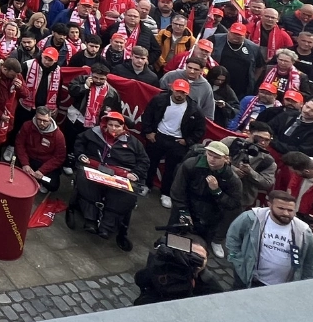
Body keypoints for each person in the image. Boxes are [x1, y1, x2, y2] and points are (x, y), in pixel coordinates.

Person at [69, 110, 148, 250]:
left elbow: (144, 161)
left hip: (120, 174)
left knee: (127, 194)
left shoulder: (134, 143)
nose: (114, 128)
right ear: (105, 124)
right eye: (111, 125)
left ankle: (107, 226)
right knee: (85, 180)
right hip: (95, 168)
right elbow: (79, 143)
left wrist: (136, 174)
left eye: (117, 126)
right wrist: (80, 155)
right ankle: (90, 220)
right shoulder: (93, 133)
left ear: (123, 127)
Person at [225, 190, 313, 286]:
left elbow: (309, 262)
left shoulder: (303, 231)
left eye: (290, 210)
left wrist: (303, 283)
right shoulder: (251, 218)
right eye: (281, 208)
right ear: (270, 205)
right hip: (249, 279)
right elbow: (233, 237)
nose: (286, 213)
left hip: (282, 287)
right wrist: (236, 261)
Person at [142, 79, 207, 207]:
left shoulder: (194, 109)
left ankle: (166, 193)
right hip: (158, 136)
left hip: (177, 142)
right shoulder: (159, 100)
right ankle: (146, 185)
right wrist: (149, 132)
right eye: (178, 91)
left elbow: (200, 130)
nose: (180, 95)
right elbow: (147, 116)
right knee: (150, 162)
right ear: (172, 88)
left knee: (172, 169)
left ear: (187, 93)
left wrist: (187, 141)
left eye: (183, 92)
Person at [167, 141, 242, 251]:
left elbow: (234, 204)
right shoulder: (191, 165)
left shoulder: (232, 179)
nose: (211, 159)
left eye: (216, 157)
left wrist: (217, 191)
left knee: (197, 249)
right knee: (173, 243)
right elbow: (177, 190)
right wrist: (183, 211)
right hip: (185, 210)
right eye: (209, 154)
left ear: (226, 159)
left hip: (209, 219)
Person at [12, 105, 67, 195]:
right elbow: (20, 144)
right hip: (29, 159)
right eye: (39, 119)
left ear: (50, 119)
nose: (41, 123)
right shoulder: (27, 126)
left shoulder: (58, 135)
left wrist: (42, 170)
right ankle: (29, 176)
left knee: (53, 185)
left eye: (45, 121)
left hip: (45, 163)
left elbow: (59, 157)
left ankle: (38, 179)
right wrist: (25, 164)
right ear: (35, 117)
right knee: (13, 173)